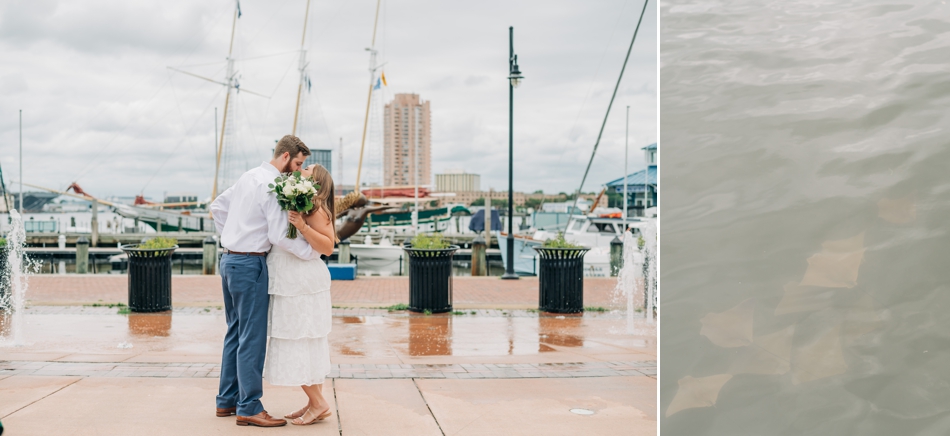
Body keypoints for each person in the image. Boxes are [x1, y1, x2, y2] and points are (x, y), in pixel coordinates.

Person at [210, 135, 318, 428]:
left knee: (235, 332)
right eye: (297, 164)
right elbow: (279, 235)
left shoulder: (248, 177)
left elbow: (218, 208)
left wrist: (234, 234)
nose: (296, 171)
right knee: (252, 337)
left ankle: (227, 401)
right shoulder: (272, 185)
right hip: (250, 264)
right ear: (285, 157)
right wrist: (311, 252)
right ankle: (249, 407)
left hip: (229, 259)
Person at [264, 163, 337, 425]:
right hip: (290, 278)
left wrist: (302, 226)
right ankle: (314, 403)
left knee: (297, 337)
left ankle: (318, 402)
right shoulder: (303, 202)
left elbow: (328, 246)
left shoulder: (316, 207)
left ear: (314, 181)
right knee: (301, 338)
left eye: (308, 168)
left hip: (301, 282)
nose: (302, 169)